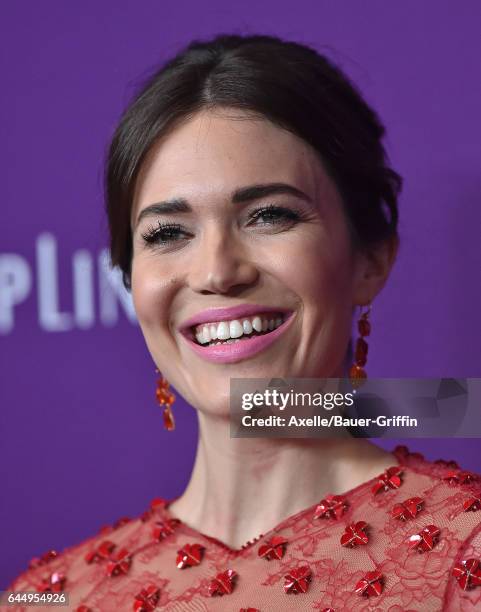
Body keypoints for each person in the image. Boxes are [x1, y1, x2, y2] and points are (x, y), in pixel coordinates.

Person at [7, 33, 481, 612]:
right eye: (167, 233)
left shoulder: (466, 556)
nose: (217, 272)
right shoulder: (48, 598)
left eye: (268, 216)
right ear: (132, 282)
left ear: (370, 259)